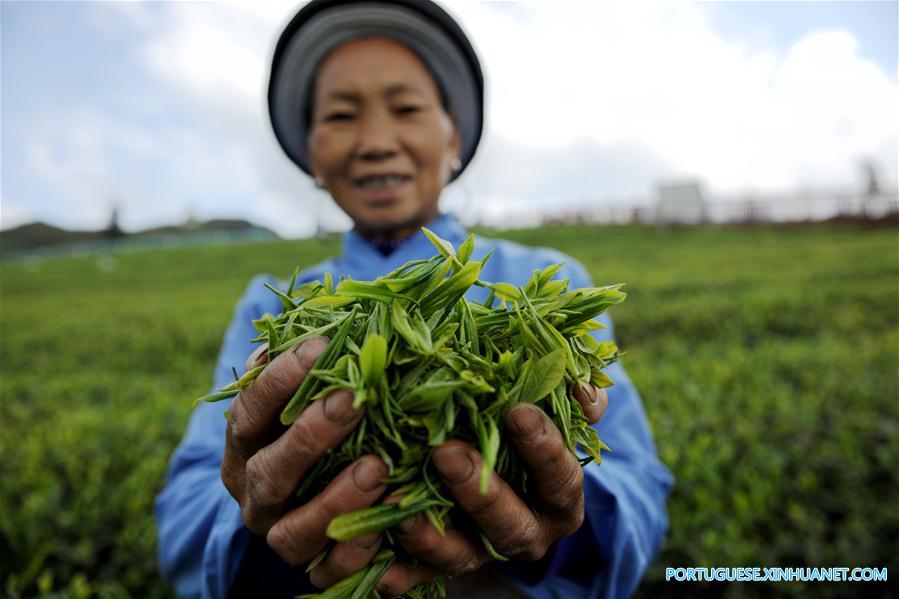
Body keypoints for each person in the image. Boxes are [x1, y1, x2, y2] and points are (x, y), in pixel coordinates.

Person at [155, 1, 673, 597]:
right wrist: (271, 525)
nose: (376, 141)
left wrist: (558, 523)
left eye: (406, 108)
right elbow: (186, 518)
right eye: (342, 115)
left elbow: (637, 489)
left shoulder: (547, 277)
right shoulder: (272, 308)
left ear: (453, 137)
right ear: (313, 158)